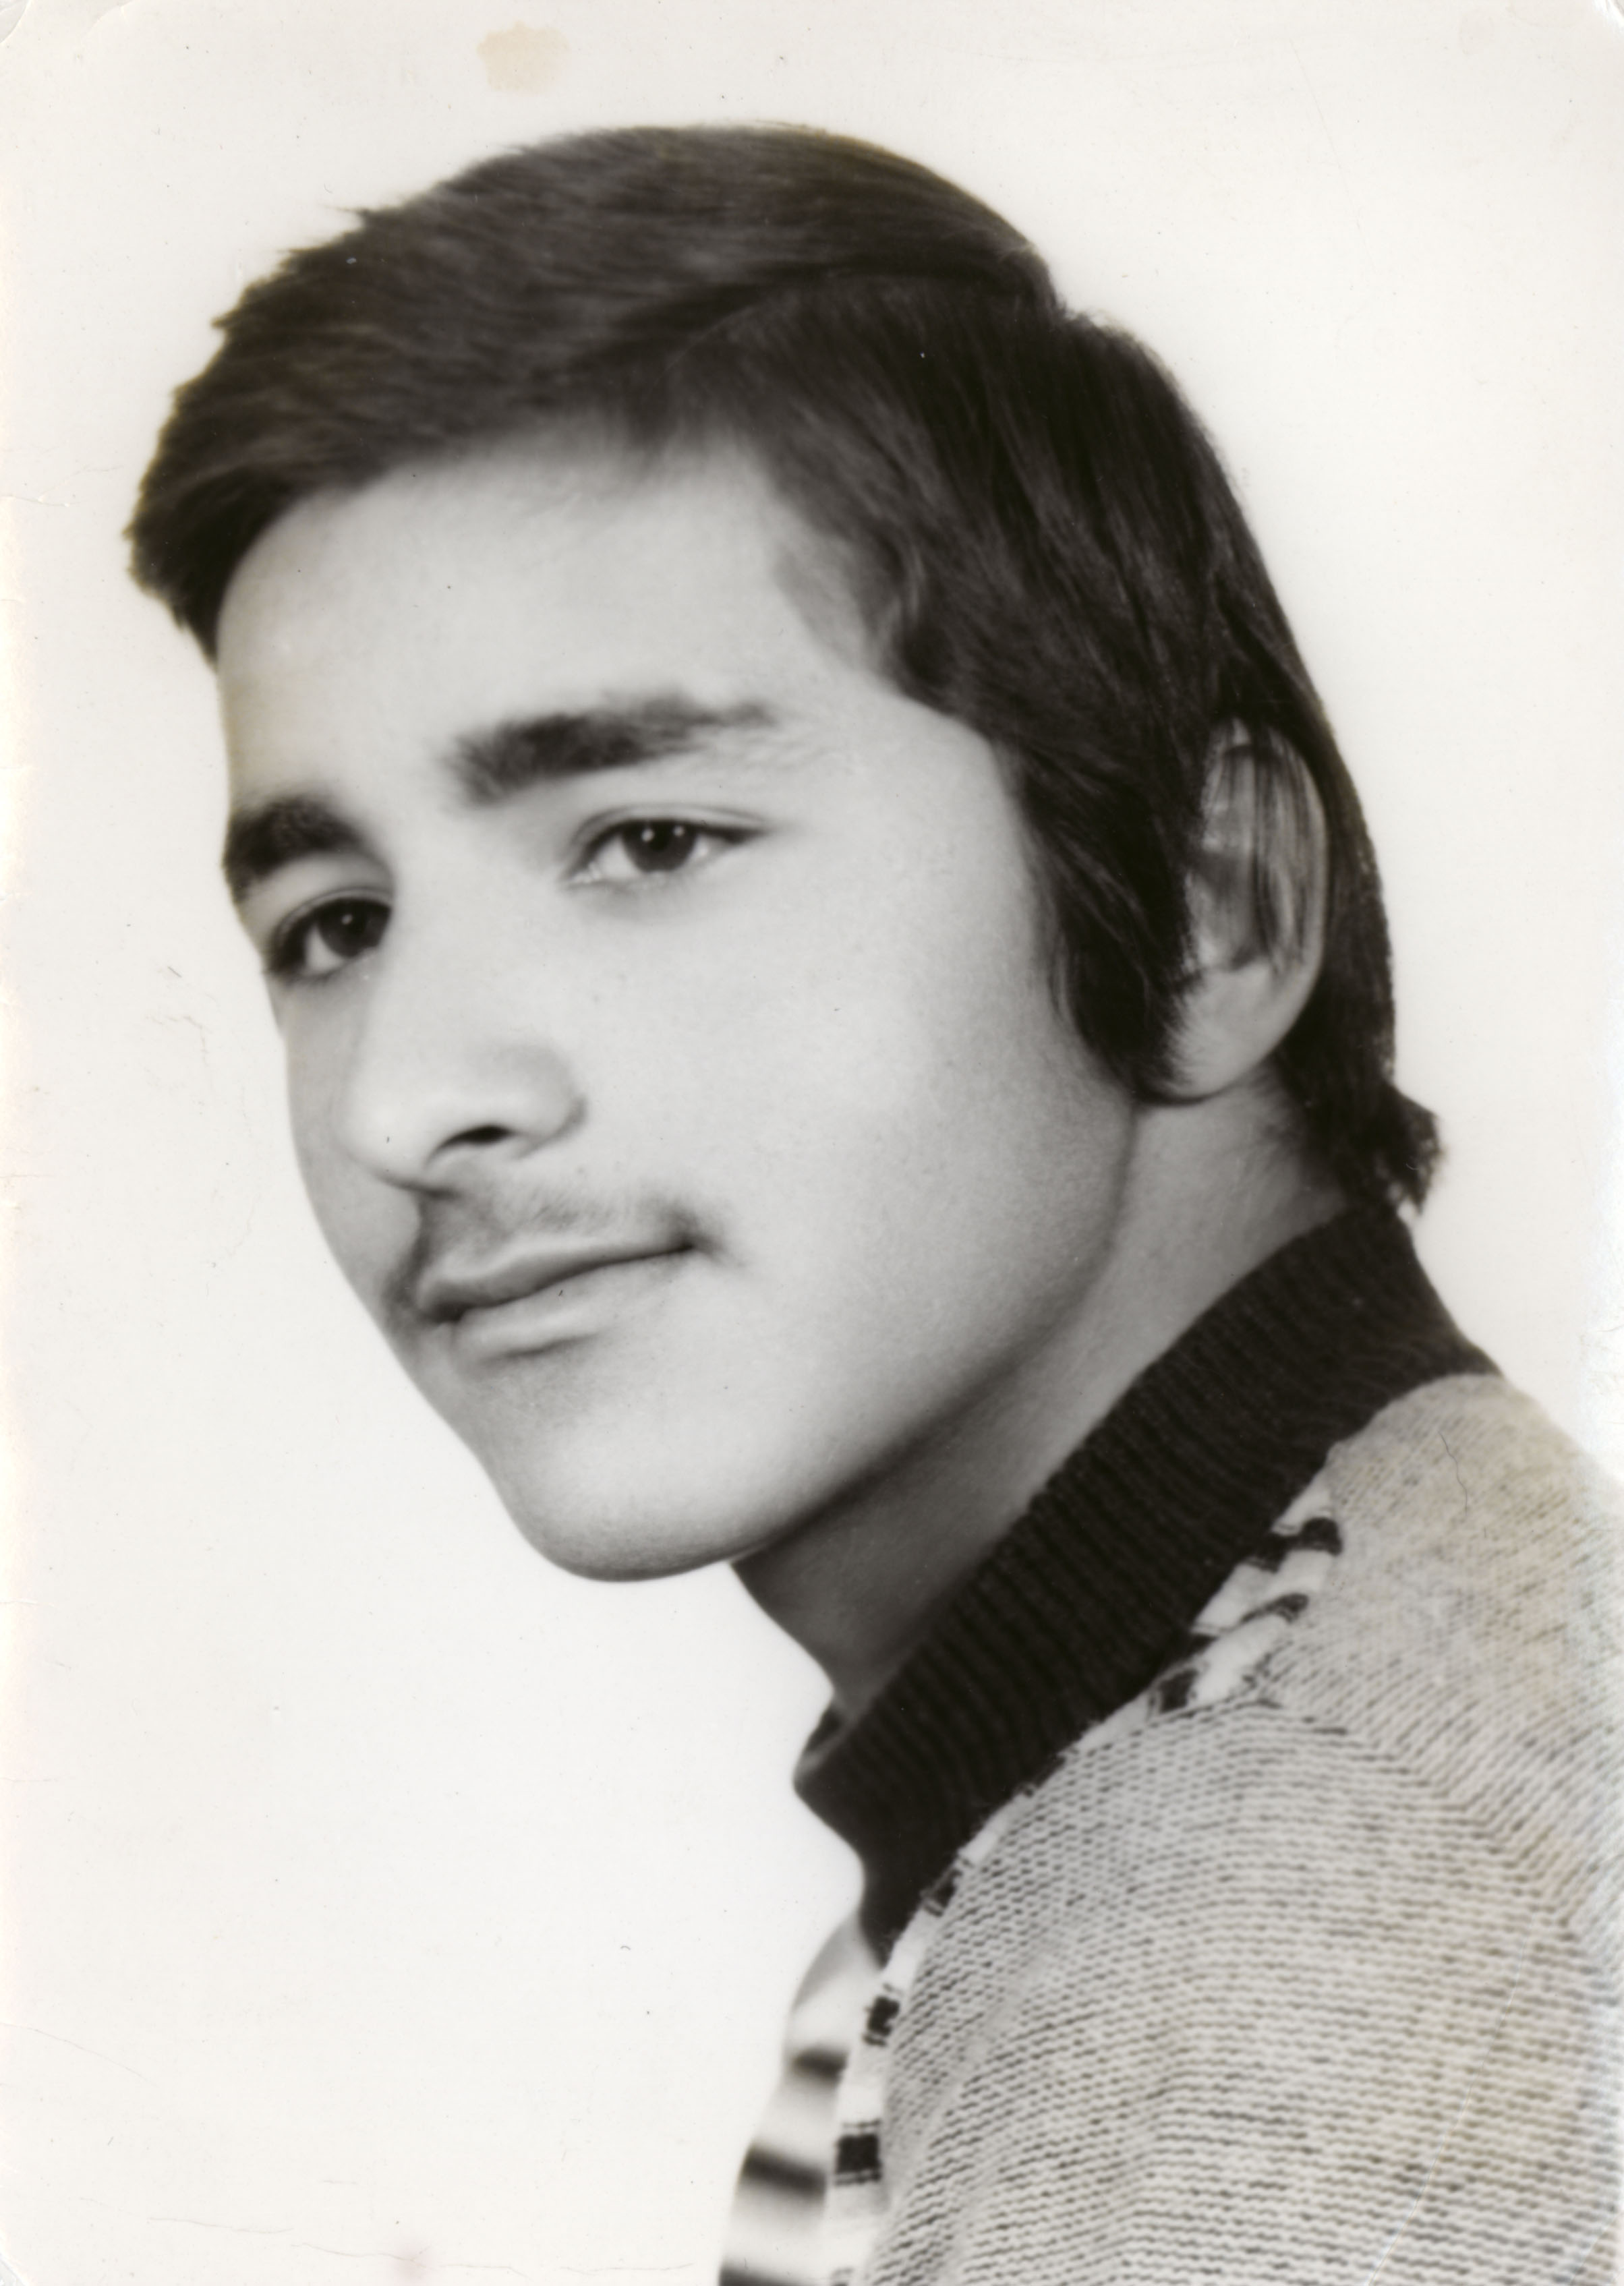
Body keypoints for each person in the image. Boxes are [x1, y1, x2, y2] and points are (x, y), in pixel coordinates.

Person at [126, 124, 1617, 2286]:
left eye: (649, 843)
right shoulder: (1238, 1744)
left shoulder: (1286, 1955)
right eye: (336, 924)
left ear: (1211, 908)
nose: (410, 1100)